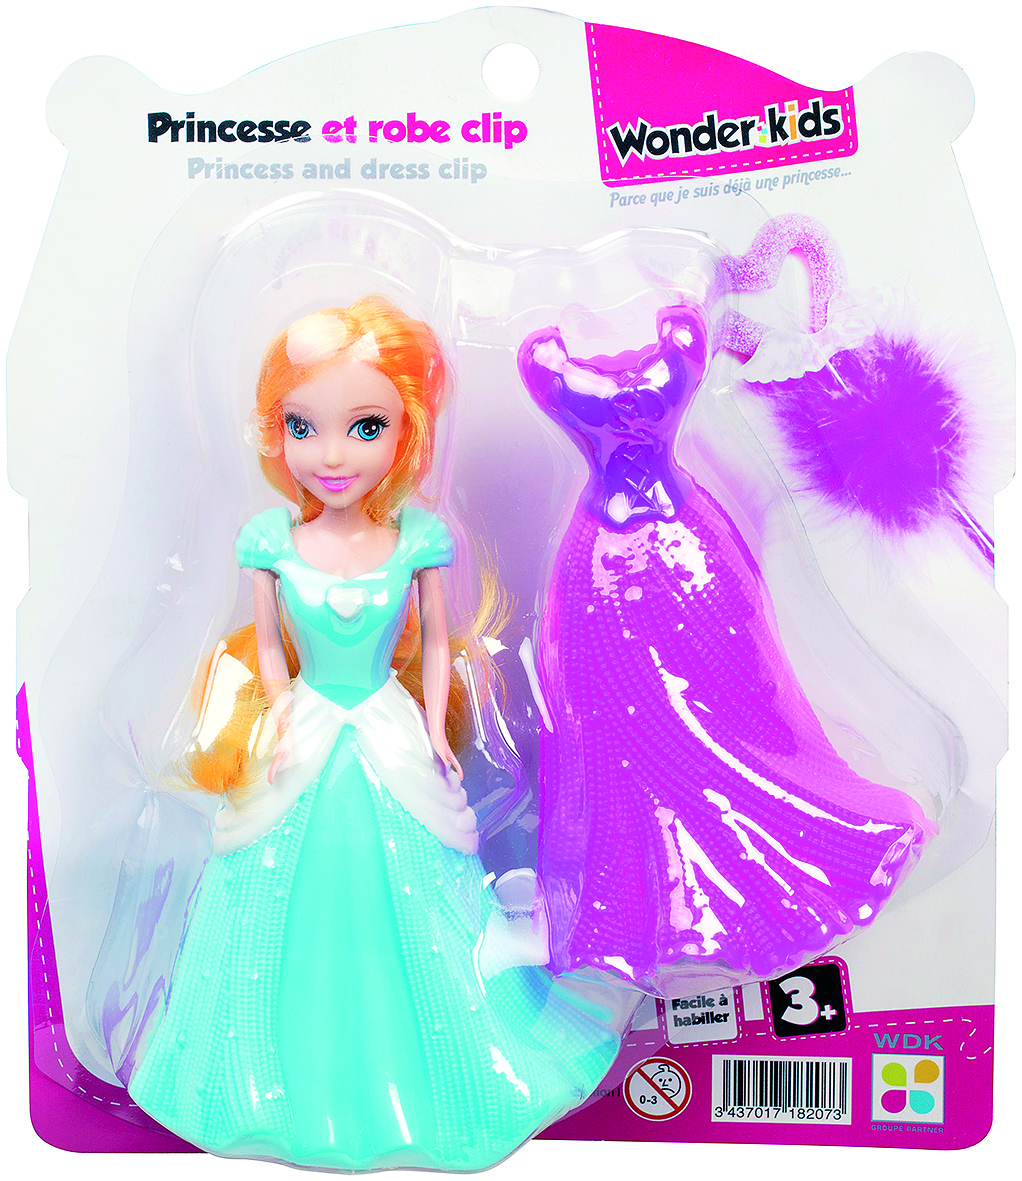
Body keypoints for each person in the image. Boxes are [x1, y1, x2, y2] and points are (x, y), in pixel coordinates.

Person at [128, 296, 619, 1171]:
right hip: (304, 724)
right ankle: (265, 1080)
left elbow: (433, 644)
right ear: (275, 431)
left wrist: (435, 725)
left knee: (418, 893)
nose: (332, 454)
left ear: (407, 430)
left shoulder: (417, 539)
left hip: (390, 726)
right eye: (303, 427)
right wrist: (276, 709)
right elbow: (270, 649)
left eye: (365, 426)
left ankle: (441, 1080)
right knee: (273, 897)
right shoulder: (271, 541)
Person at [518, 303, 935, 993]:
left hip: (679, 557)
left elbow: (549, 360)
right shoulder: (669, 351)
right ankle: (647, 900)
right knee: (621, 735)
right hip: (615, 573)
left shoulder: (604, 363)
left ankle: (761, 864)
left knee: (738, 707)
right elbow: (579, 358)